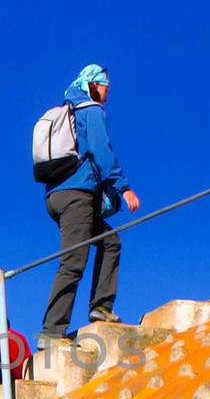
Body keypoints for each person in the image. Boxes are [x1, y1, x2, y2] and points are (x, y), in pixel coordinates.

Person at [40, 64, 141, 340]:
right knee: (73, 261)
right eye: (106, 88)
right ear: (94, 85)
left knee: (110, 241)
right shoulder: (91, 110)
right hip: (76, 195)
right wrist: (125, 188)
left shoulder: (68, 110)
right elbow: (100, 150)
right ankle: (51, 332)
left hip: (55, 195)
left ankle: (101, 307)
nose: (108, 95)